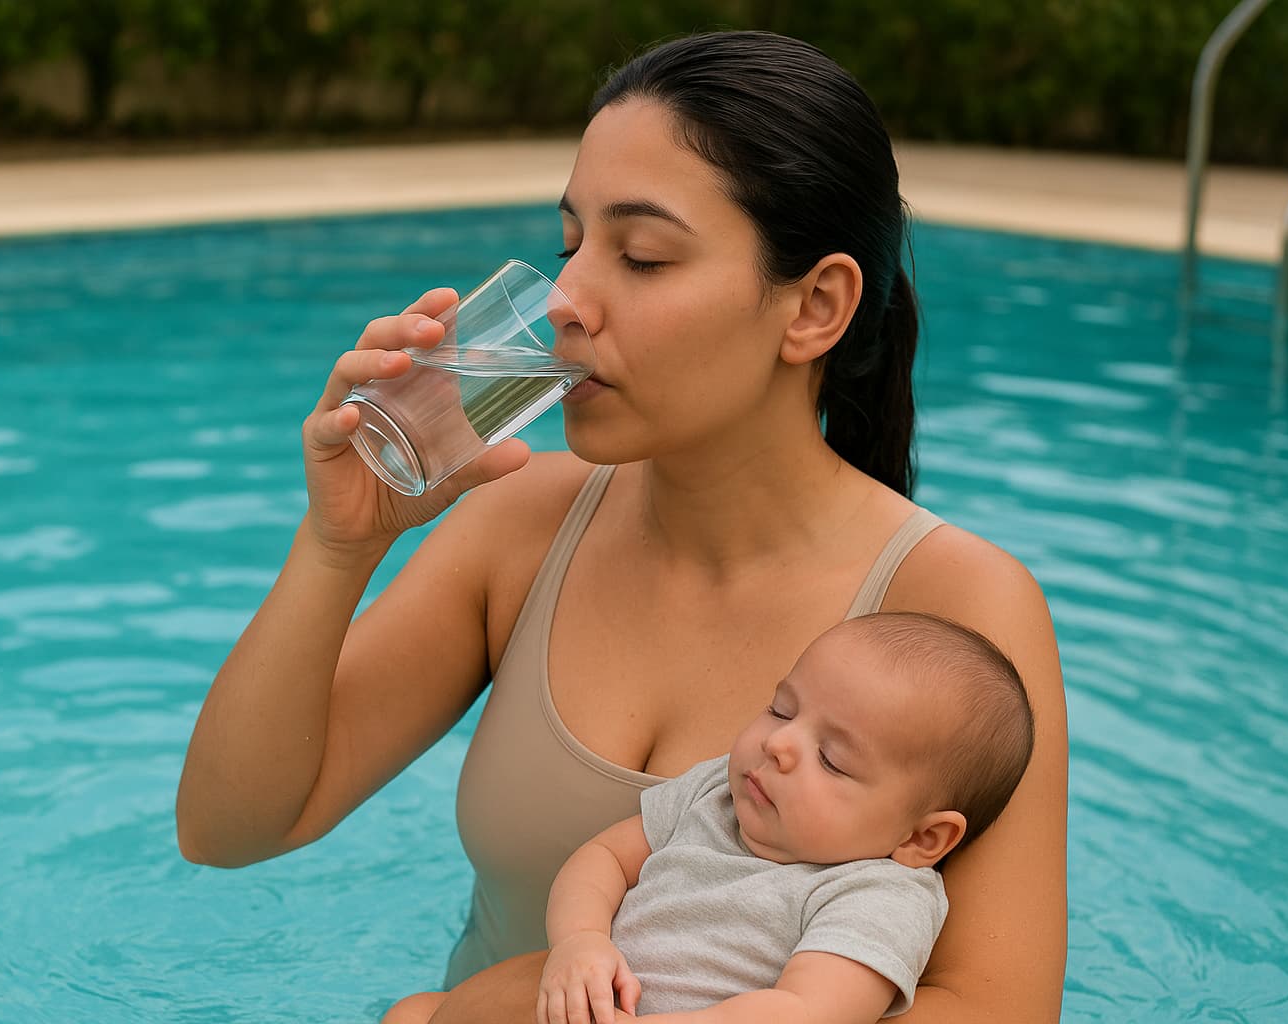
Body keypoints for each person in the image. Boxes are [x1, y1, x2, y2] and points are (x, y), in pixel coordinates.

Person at [175, 28, 1067, 1024]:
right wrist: (339, 546)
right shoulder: (521, 525)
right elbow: (229, 829)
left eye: (642, 257)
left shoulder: (956, 607)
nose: (566, 301)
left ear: (815, 306)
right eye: (572, 246)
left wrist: (498, 1009)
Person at [383, 612, 1035, 1024]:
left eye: (832, 759)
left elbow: (804, 1012)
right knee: (413, 1013)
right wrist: (580, 941)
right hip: (587, 999)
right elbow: (604, 858)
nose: (779, 745)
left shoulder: (873, 894)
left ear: (923, 837)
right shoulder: (715, 795)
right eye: (782, 710)